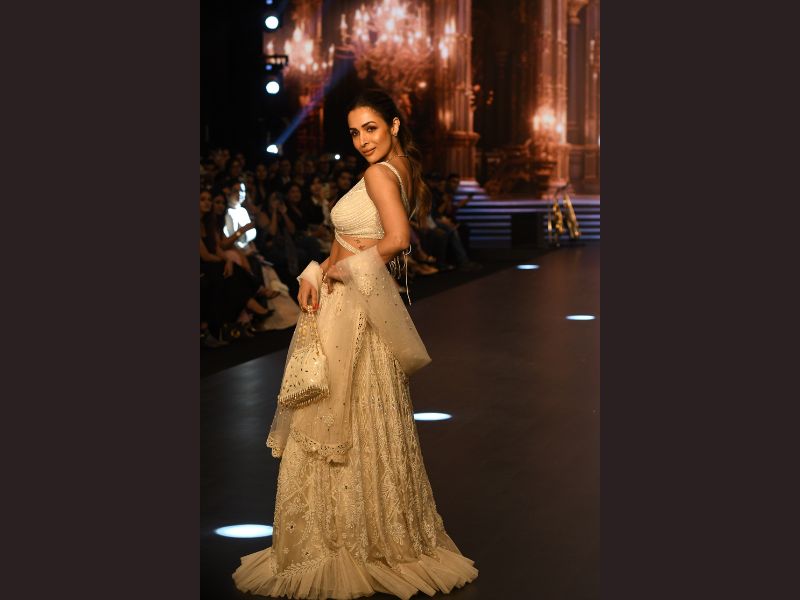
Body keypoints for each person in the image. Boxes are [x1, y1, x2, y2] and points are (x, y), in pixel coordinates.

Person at [233, 89, 478, 599]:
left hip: (353, 308)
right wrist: (317, 269)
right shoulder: (400, 168)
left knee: (337, 416)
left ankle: (342, 541)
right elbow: (357, 243)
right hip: (359, 304)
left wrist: (341, 270)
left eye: (371, 128)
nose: (363, 140)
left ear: (393, 124)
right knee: (365, 416)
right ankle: (374, 534)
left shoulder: (379, 174)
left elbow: (398, 239)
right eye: (354, 132)